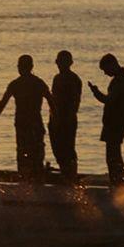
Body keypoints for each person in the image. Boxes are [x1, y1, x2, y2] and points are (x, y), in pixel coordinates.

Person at [0, 54, 53, 175]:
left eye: (24, 66)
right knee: (24, 156)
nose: (21, 68)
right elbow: (3, 102)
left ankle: (36, 177)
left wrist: (55, 119)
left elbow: (51, 101)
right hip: (22, 125)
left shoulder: (37, 83)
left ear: (31, 67)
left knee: (36, 155)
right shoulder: (16, 84)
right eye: (20, 66)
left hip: (34, 125)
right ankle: (26, 178)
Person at [88, 53, 124, 186]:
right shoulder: (121, 78)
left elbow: (109, 100)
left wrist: (96, 93)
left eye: (105, 70)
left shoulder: (123, 80)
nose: (105, 73)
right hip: (113, 122)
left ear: (112, 64)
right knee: (113, 154)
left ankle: (117, 181)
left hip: (117, 123)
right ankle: (117, 180)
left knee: (113, 155)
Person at [49, 49, 82, 178]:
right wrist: (53, 118)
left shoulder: (74, 79)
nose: (61, 64)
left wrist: (67, 118)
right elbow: (53, 99)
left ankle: (71, 175)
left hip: (67, 120)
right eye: (59, 61)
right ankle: (65, 172)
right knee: (57, 149)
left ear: (70, 63)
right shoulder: (56, 78)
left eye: (64, 61)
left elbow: (75, 101)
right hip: (55, 120)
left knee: (68, 150)